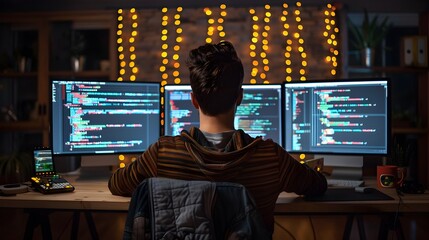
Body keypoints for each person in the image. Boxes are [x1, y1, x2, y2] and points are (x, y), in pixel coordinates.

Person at [108, 40, 327, 235]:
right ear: (240, 97)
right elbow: (317, 185)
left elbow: (117, 184)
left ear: (193, 100)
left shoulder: (162, 153)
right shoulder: (271, 157)